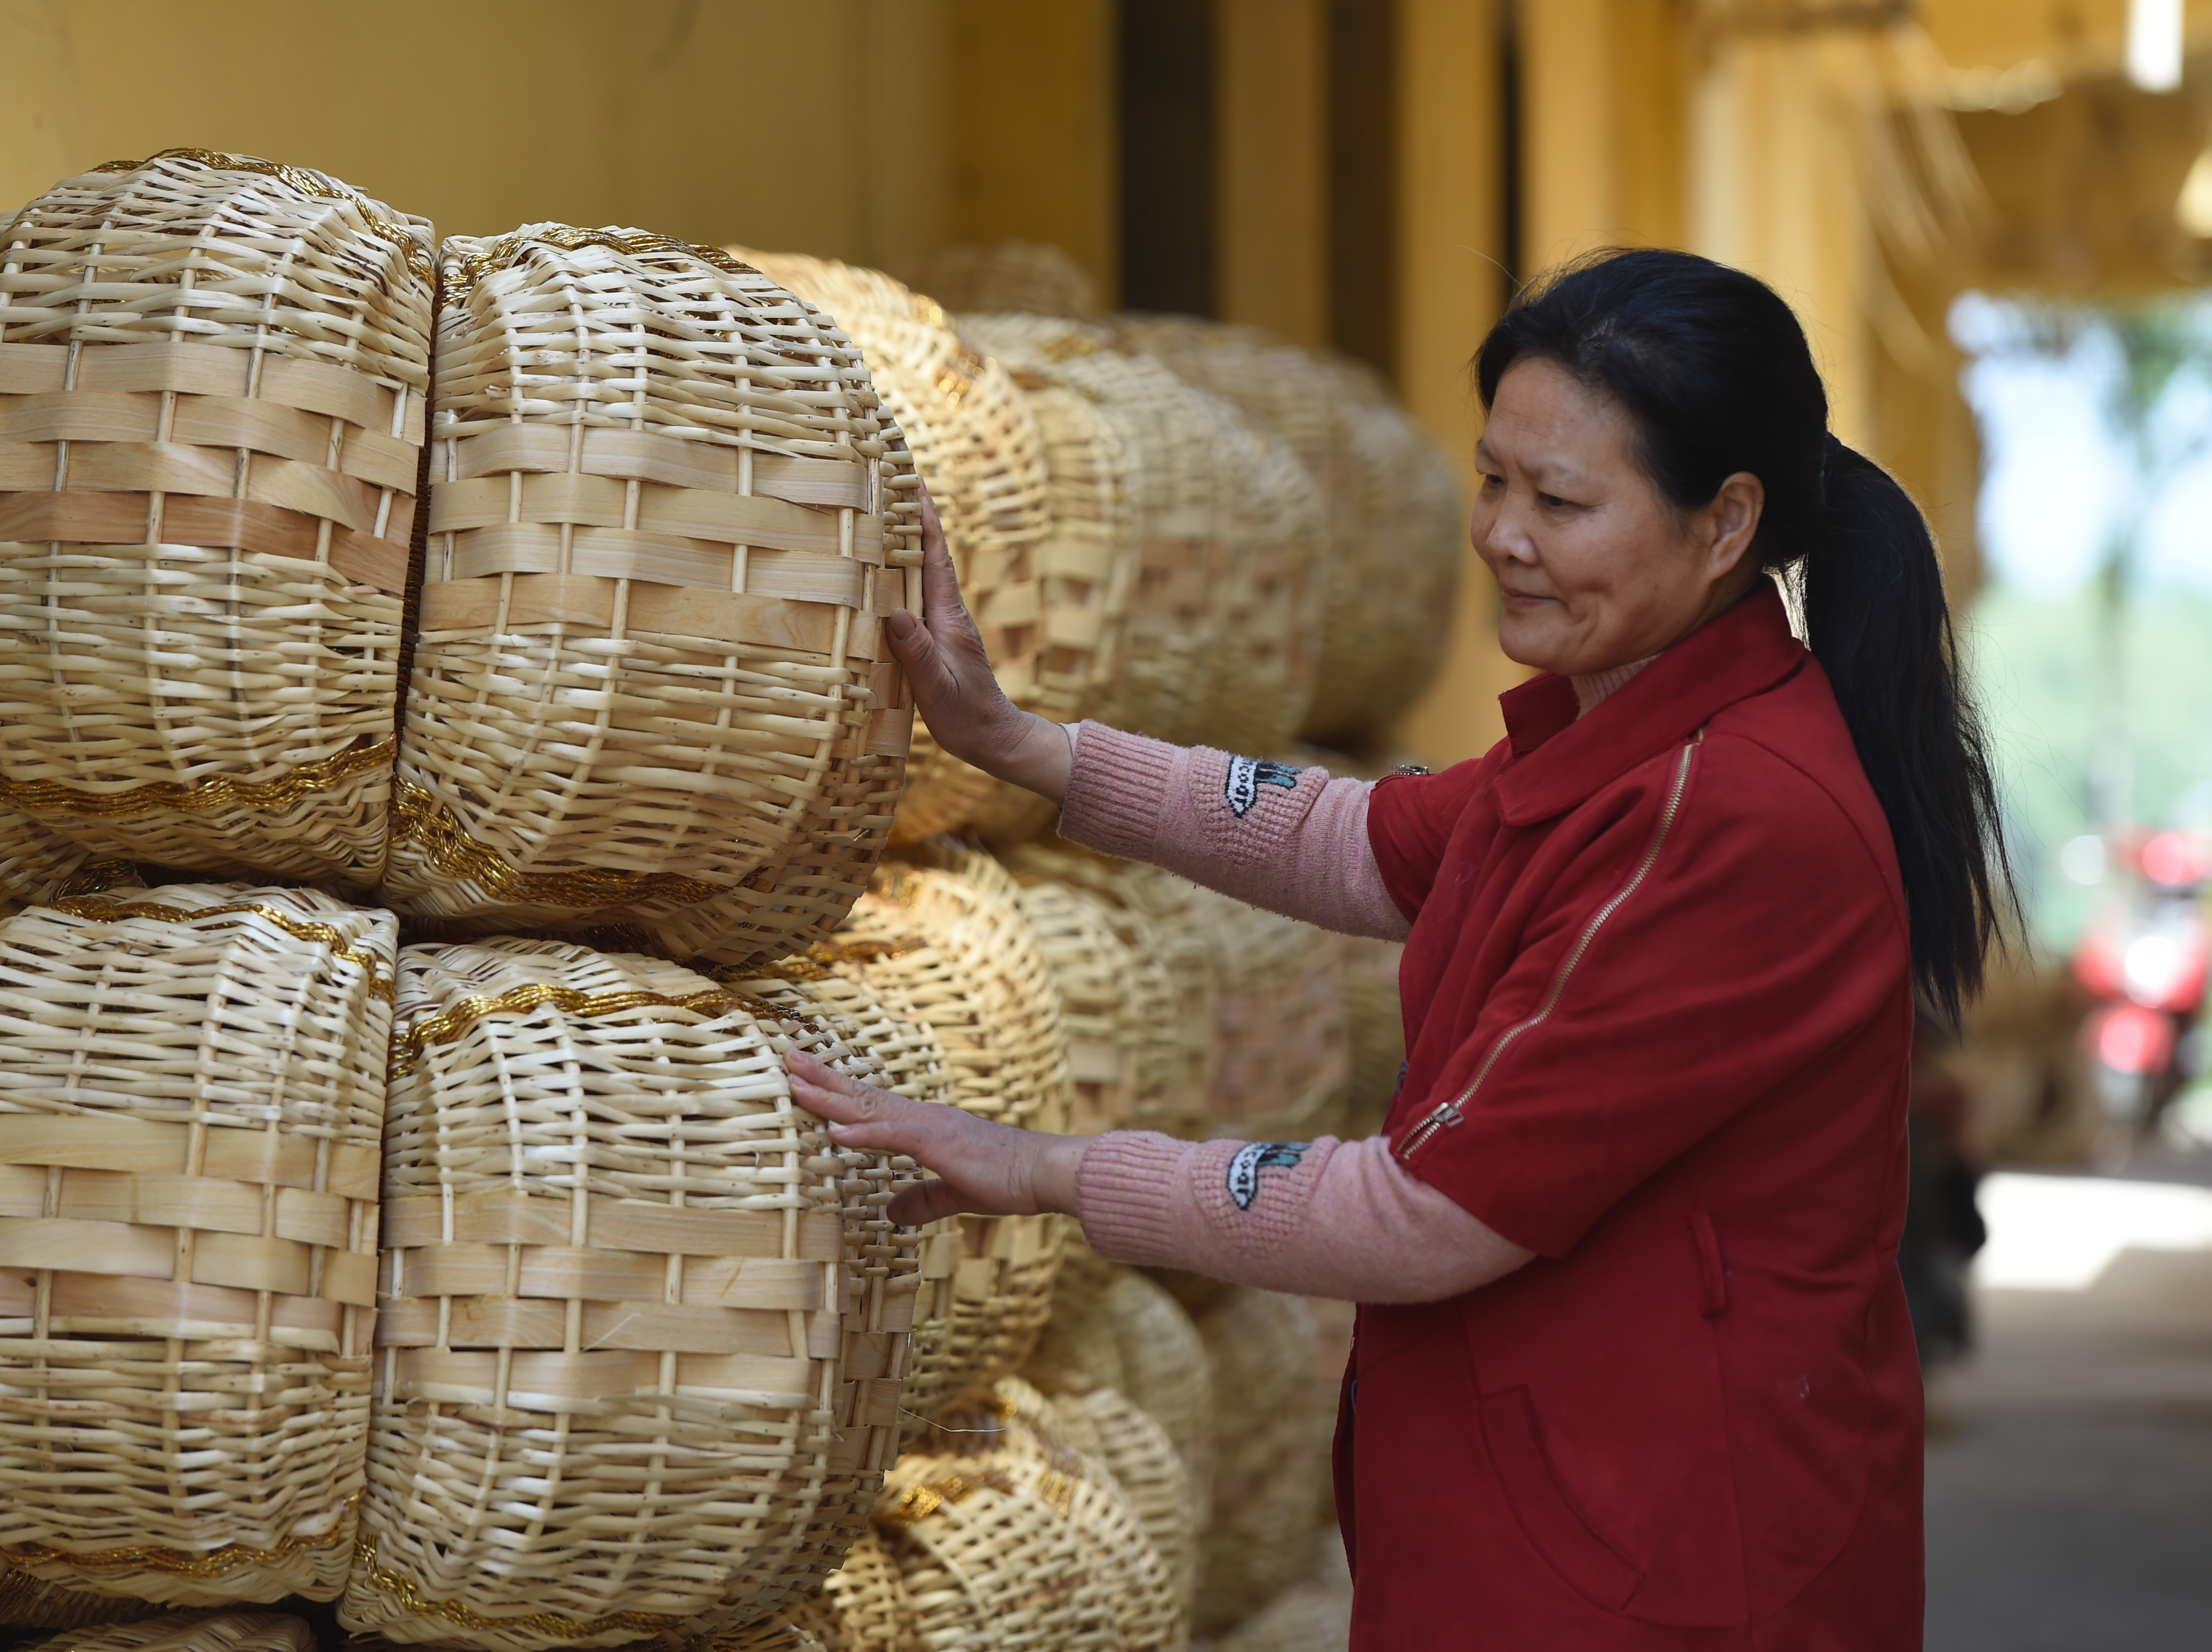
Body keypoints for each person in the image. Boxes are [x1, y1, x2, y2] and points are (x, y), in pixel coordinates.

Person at [790, 247, 2012, 1649]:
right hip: (1570, 1542)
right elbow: (1353, 839)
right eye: (1495, 479)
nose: (1503, 534)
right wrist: (1026, 750)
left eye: (1562, 502)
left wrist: (1051, 1169)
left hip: (1666, 1579)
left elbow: (1424, 1214)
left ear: (1727, 521)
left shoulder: (1726, 815)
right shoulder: (1631, 734)